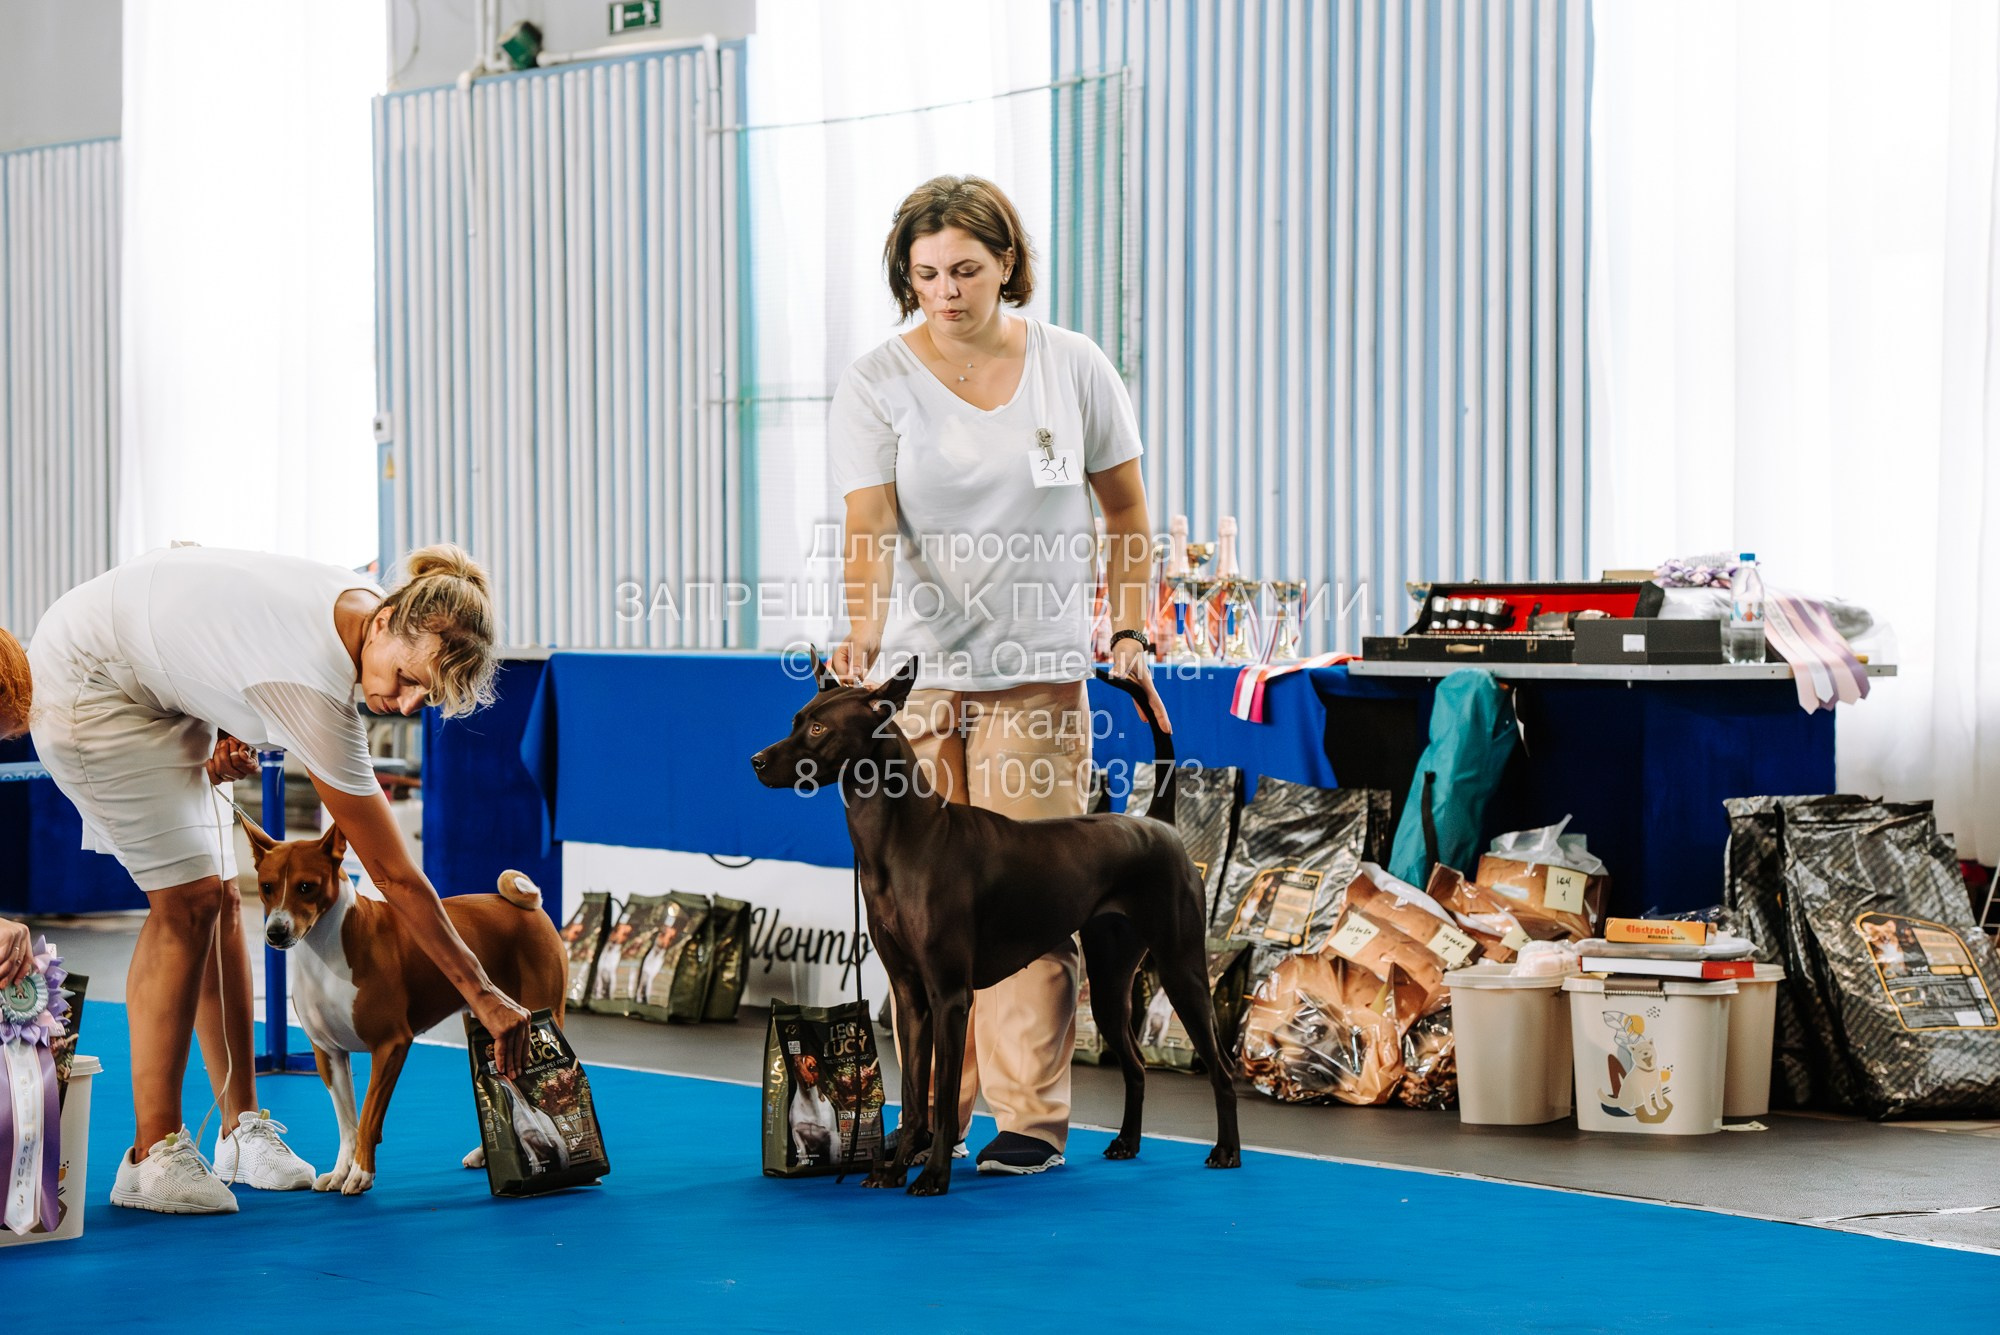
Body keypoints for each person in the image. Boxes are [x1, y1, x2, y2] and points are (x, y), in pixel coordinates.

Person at [827, 174, 1168, 1178]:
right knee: (914, 914)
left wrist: (1132, 629)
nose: (945, 289)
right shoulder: (874, 382)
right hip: (917, 690)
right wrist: (860, 641)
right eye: (925, 273)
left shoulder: (1073, 366)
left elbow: (1127, 514)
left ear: (1007, 263)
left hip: (1039, 678)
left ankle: (1029, 1120)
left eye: (965, 269)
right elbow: (867, 529)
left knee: (1029, 907)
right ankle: (934, 1114)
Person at [24, 542, 533, 1215]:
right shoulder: (317, 685)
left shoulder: (357, 604)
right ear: (384, 625)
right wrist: (486, 994)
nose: (407, 704)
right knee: (187, 903)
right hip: (89, 680)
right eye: (409, 678)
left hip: (153, 681)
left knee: (218, 905)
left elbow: (226, 633)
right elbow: (396, 877)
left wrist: (227, 711)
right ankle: (151, 1156)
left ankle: (239, 1130)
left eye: (425, 696)